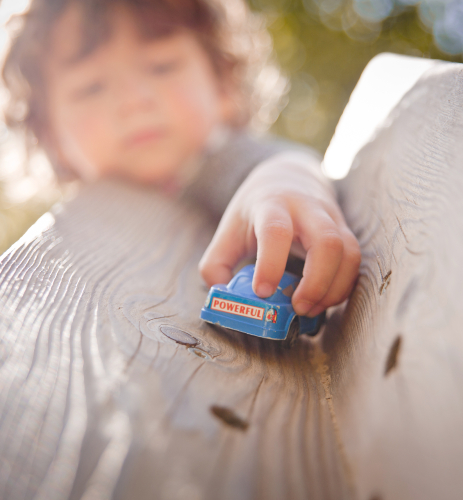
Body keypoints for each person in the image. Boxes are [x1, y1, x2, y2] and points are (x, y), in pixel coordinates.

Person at [2, 0, 360, 319]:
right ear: (51, 136)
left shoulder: (218, 163)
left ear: (222, 83)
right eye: (91, 87)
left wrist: (283, 185)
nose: (134, 100)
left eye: (161, 67)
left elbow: (275, 165)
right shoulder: (74, 223)